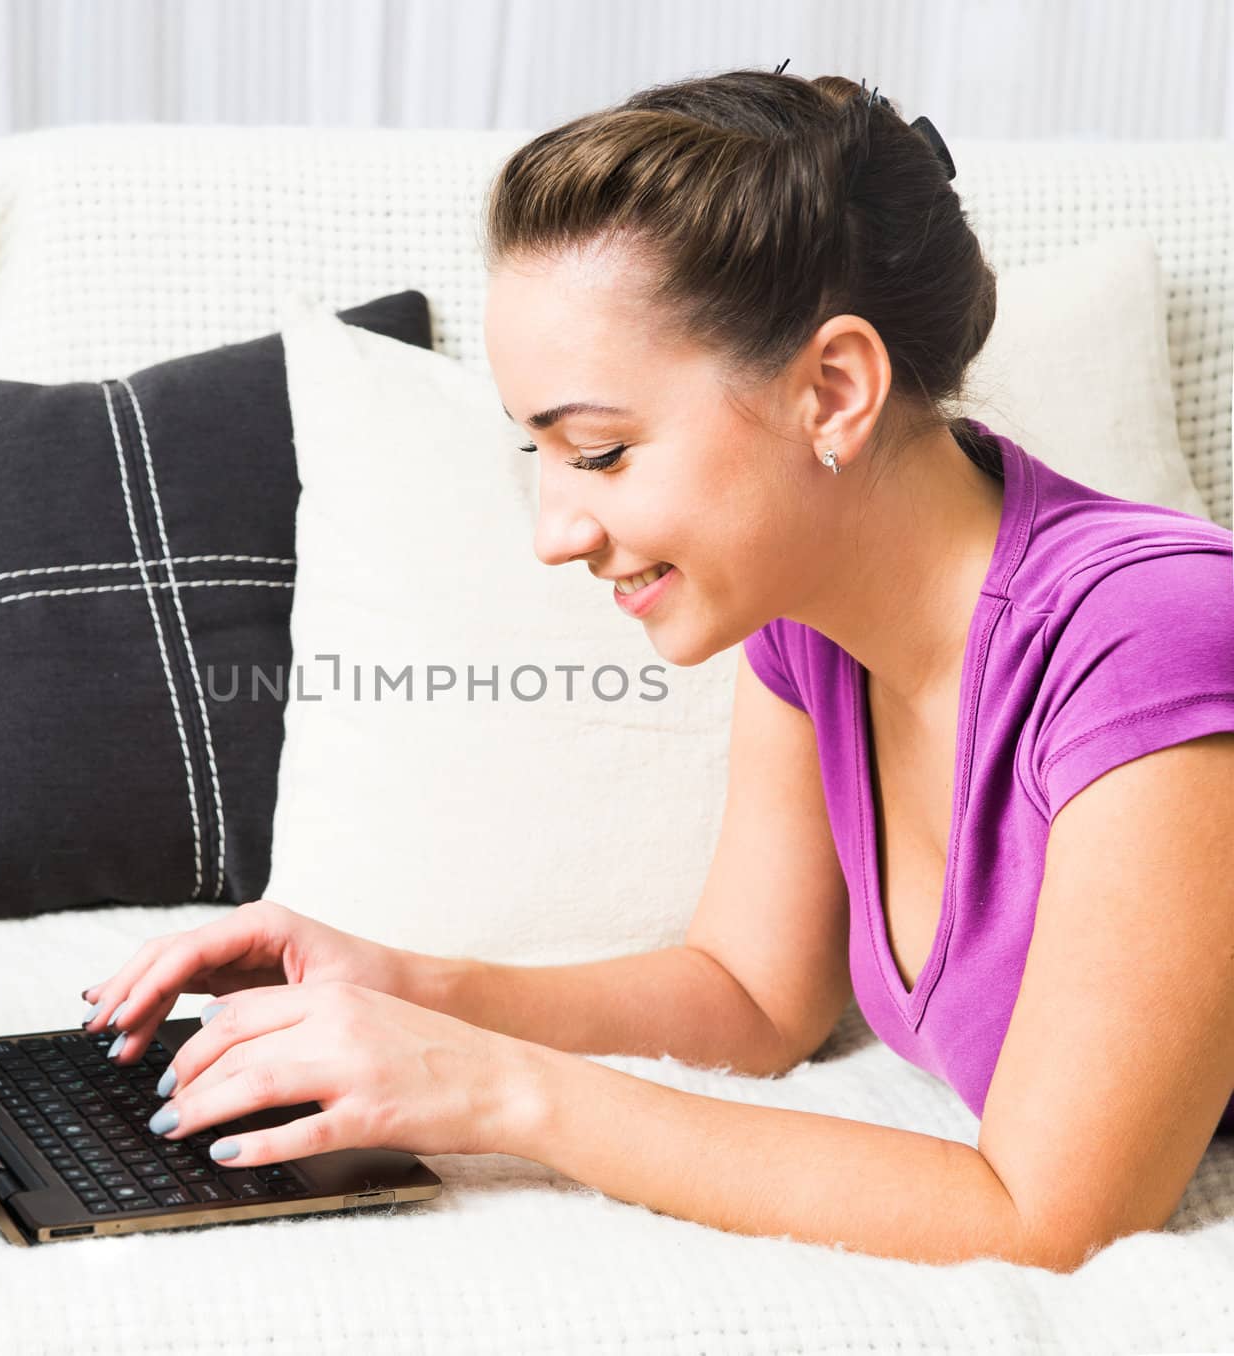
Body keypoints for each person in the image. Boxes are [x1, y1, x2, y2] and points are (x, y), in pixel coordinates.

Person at [80, 67, 1234, 1271]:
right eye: (543, 454)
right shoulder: (807, 621)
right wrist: (408, 985)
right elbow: (748, 995)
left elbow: (1050, 1216)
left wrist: (497, 1094)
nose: (555, 532)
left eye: (601, 451)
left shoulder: (1151, 640)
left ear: (831, 392)